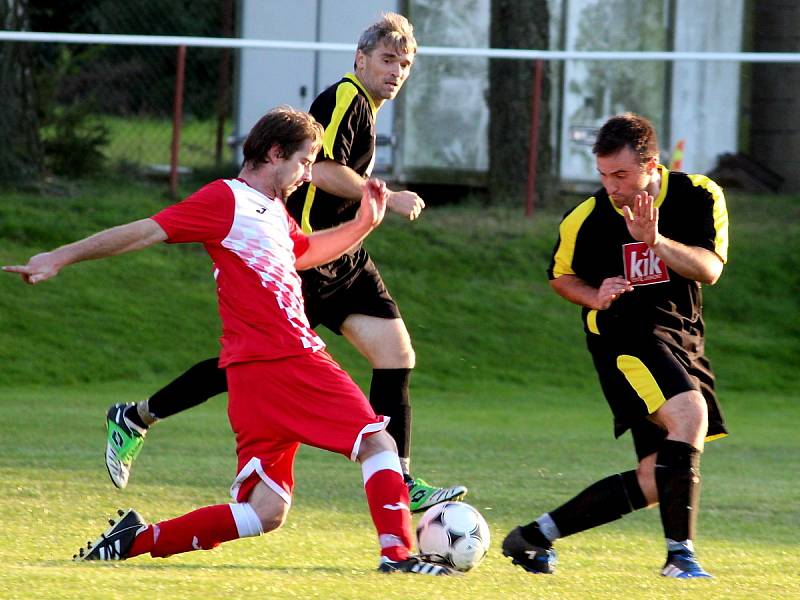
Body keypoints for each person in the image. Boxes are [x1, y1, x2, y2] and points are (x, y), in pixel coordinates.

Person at [4, 107, 453, 575]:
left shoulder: (274, 213)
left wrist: (362, 224)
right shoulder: (227, 199)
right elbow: (144, 232)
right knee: (378, 443)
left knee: (265, 511)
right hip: (286, 356)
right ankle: (398, 555)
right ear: (274, 153)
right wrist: (59, 256)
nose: (307, 175)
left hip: (250, 375)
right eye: (303, 162)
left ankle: (133, 542)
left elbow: (304, 254)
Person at [103, 12, 467, 513]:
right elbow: (319, 168)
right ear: (360, 59)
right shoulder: (345, 98)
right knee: (247, 366)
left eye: (404, 63)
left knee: (396, 355)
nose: (397, 70)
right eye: (387, 59)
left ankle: (400, 478)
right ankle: (138, 416)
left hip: (344, 256)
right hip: (302, 258)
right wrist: (383, 195)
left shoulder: (369, 109)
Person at [502, 113, 729, 579]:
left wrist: (657, 241)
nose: (612, 187)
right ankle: (680, 556)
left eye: (622, 175)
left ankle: (533, 536)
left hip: (684, 339)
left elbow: (709, 268)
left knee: (654, 479)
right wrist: (594, 295)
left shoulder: (699, 195)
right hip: (622, 338)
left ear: (652, 164)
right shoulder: (586, 218)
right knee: (690, 416)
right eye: (604, 175)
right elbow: (560, 277)